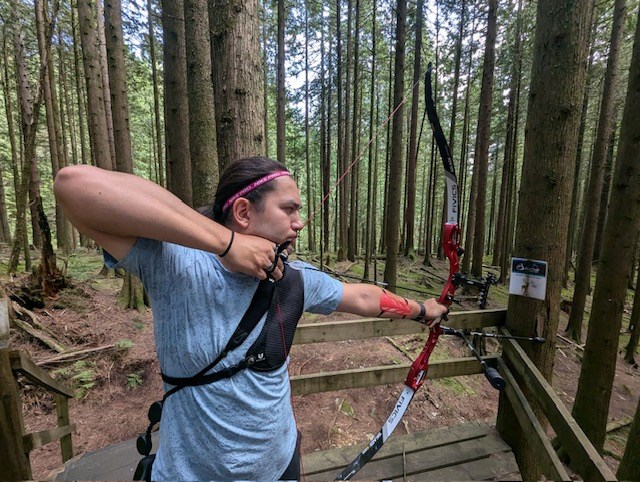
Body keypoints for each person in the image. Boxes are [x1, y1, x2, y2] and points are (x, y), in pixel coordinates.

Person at [54, 156, 448, 481]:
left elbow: (363, 296)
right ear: (243, 211)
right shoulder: (175, 262)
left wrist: (422, 310)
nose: (300, 222)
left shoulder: (293, 279)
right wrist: (224, 244)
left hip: (279, 465)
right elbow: (73, 184)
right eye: (289, 209)